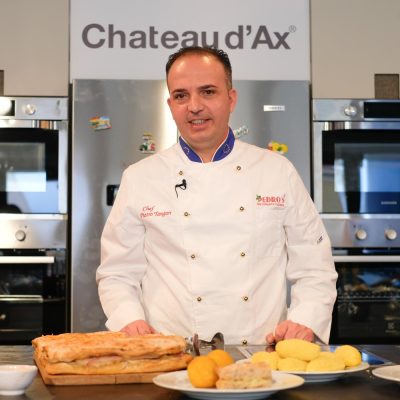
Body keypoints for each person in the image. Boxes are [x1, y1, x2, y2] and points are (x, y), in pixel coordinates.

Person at [96, 46, 337, 345]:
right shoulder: (140, 178)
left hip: (260, 353)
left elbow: (314, 266)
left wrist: (305, 320)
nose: (194, 106)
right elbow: (117, 272)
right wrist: (128, 319)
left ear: (231, 99)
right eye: (181, 96)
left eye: (208, 92)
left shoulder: (277, 171)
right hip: (171, 353)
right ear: (170, 105)